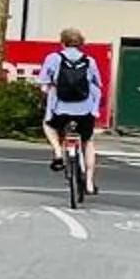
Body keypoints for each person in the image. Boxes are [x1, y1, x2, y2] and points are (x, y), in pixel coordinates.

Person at [39, 27, 102, 197]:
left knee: (48, 125)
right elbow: (98, 84)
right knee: (88, 141)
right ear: (81, 43)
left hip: (61, 109)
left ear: (62, 42)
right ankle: (89, 183)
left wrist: (48, 91)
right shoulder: (90, 61)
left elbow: (44, 83)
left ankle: (58, 152)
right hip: (84, 111)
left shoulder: (54, 58)